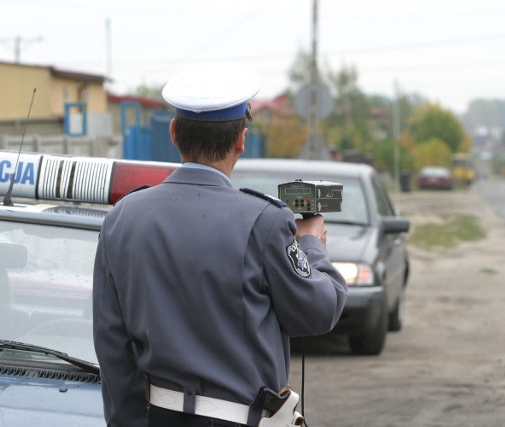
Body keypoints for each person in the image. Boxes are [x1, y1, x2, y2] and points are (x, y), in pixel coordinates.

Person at [92, 62, 348, 427]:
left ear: (174, 133)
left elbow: (112, 344)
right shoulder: (265, 221)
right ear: (241, 140)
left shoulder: (122, 217)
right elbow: (318, 311)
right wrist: (311, 245)